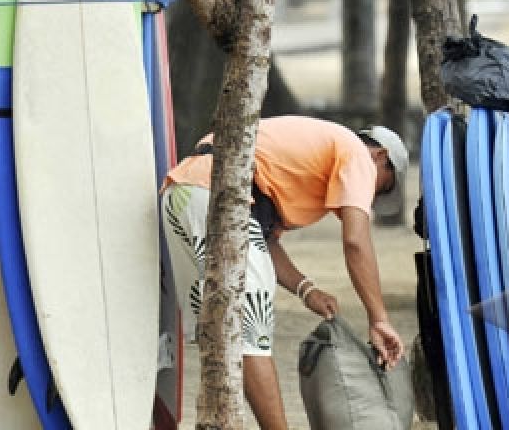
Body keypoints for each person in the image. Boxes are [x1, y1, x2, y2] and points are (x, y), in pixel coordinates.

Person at [161, 115, 408, 430]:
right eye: (381, 187)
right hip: (219, 197)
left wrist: (307, 290)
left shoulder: (312, 157)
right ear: (381, 157)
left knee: (223, 336)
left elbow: (263, 241)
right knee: (250, 337)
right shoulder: (357, 154)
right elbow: (356, 242)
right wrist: (379, 319)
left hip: (183, 195)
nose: (370, 198)